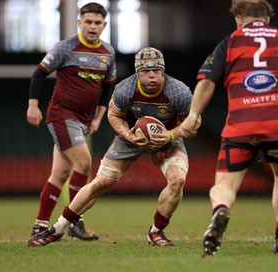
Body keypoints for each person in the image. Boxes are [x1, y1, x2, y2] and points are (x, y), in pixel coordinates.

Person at [180, 0, 278, 255]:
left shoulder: (230, 42)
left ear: (238, 18)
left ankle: (221, 210)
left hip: (241, 125)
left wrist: (194, 114)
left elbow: (206, 82)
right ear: (268, 18)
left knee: (225, 183)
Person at [27, 47, 192, 247]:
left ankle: (156, 232)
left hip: (168, 137)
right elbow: (113, 115)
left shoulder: (179, 91)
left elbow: (192, 123)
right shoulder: (125, 89)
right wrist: (126, 134)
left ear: (163, 71)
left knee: (178, 180)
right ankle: (57, 229)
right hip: (129, 137)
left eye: (156, 70)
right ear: (137, 72)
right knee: (100, 183)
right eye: (146, 71)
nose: (151, 75)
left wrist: (170, 134)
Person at [26, 2, 116, 241]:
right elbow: (39, 73)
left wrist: (98, 117)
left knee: (60, 174)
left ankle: (39, 225)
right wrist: (33, 105)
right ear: (79, 22)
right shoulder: (65, 48)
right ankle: (75, 221)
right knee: (85, 164)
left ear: (104, 25)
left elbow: (108, 87)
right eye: (88, 21)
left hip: (83, 120)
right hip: (61, 115)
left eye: (97, 23)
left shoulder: (108, 52)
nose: (93, 26)